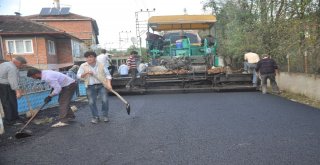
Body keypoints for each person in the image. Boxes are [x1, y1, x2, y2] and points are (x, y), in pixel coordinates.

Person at [77, 51, 112, 124]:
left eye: (91, 57)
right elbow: (78, 76)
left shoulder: (101, 65)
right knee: (91, 102)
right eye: (87, 57)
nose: (89, 59)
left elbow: (108, 75)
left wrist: (109, 84)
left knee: (105, 100)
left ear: (95, 58)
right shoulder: (83, 66)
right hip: (90, 86)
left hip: (101, 85)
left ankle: (105, 115)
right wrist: (86, 73)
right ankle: (95, 117)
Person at [0, 56, 27, 125]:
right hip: (5, 86)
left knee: (12, 102)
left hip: (4, 86)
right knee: (8, 103)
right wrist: (17, 91)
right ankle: (10, 120)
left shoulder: (5, 64)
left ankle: (15, 117)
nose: (21, 66)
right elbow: (13, 81)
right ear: (17, 62)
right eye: (21, 65)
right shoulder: (12, 68)